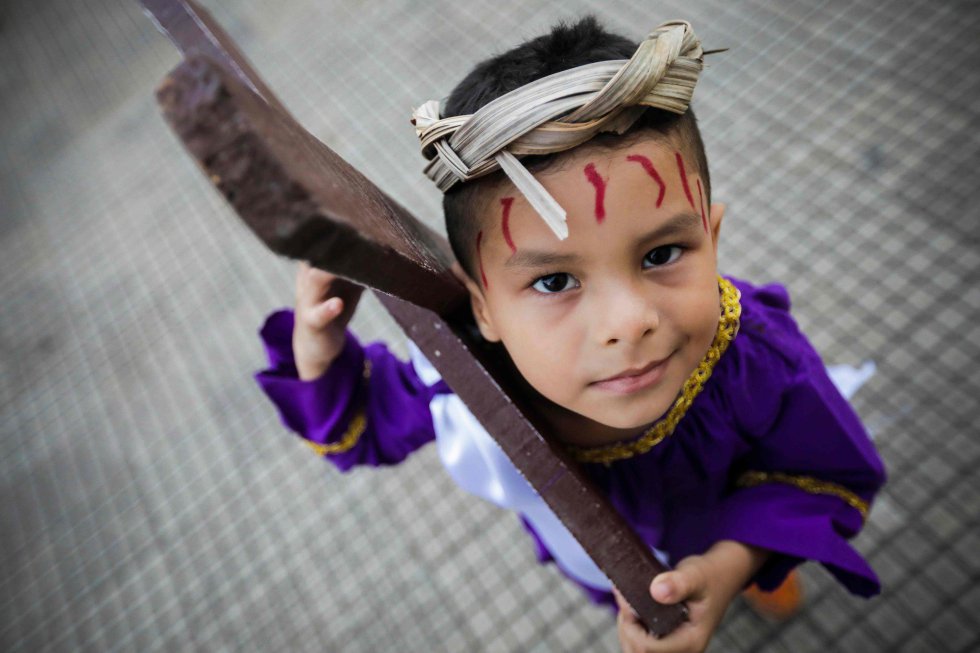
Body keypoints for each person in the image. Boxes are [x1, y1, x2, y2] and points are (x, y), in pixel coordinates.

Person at [255, 16, 885, 652]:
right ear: (485, 310)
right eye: (555, 283)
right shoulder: (471, 387)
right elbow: (356, 432)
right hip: (609, 561)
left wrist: (732, 568)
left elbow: (818, 468)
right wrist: (321, 346)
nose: (627, 323)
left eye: (662, 254)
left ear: (711, 238)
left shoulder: (754, 355)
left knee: (769, 559)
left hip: (739, 526)